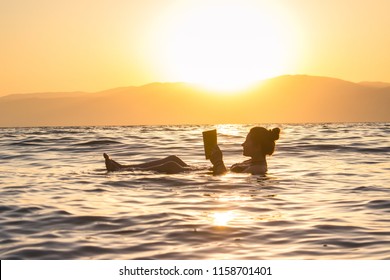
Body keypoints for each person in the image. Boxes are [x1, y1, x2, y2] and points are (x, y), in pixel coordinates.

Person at [103, 126, 280, 175]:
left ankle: (121, 171)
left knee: (172, 165)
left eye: (246, 141)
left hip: (211, 175)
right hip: (206, 172)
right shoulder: (253, 162)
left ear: (257, 146)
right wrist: (215, 162)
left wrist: (218, 161)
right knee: (173, 157)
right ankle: (123, 167)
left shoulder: (258, 169)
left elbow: (225, 178)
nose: (242, 144)